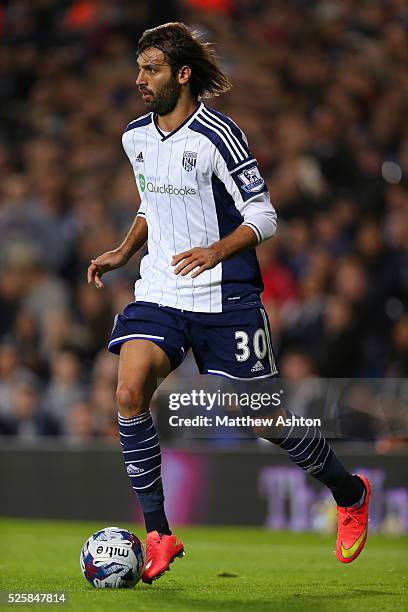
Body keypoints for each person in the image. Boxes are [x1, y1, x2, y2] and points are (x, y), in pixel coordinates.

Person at [87, 22, 370, 584]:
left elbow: (264, 215)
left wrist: (218, 250)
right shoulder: (135, 137)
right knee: (128, 390)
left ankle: (349, 491)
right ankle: (160, 534)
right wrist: (123, 251)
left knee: (262, 417)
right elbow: (154, 200)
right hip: (162, 289)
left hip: (227, 296)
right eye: (139, 68)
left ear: (182, 74)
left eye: (152, 69)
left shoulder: (219, 135)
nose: (140, 79)